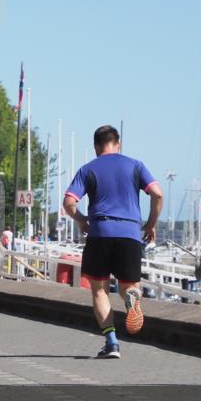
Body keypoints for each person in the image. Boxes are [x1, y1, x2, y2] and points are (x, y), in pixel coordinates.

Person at [62, 124, 162, 360]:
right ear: (118, 144)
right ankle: (131, 298)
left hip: (100, 232)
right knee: (128, 285)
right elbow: (157, 193)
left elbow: (69, 202)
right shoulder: (135, 165)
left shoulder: (88, 169)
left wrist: (81, 220)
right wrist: (150, 224)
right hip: (129, 233)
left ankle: (112, 343)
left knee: (99, 290)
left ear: (96, 146)